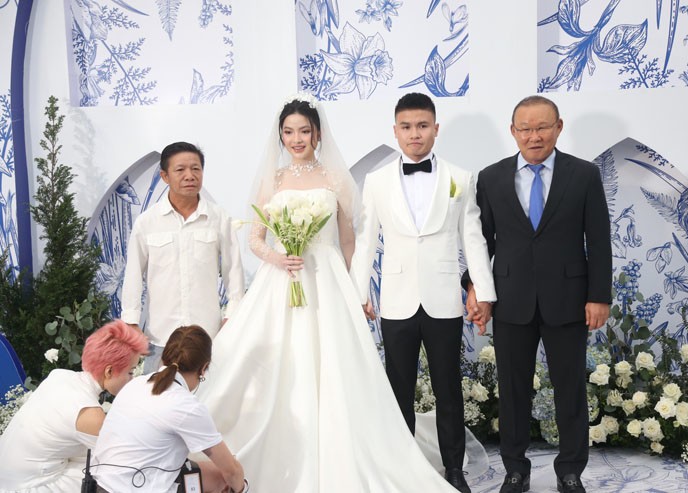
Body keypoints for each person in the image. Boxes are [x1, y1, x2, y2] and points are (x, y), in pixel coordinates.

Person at [197, 93, 461, 492]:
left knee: (336, 364)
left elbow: (349, 240)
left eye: (304, 131)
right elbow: (254, 239)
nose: (296, 139)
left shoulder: (336, 179)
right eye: (289, 132)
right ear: (281, 136)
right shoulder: (273, 180)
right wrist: (279, 257)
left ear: (317, 134)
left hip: (328, 279)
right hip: (282, 280)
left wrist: (358, 291)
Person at [351, 92, 496, 493]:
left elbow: (473, 239)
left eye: (422, 126)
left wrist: (484, 292)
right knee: (398, 389)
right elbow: (365, 240)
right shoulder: (377, 181)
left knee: (448, 388)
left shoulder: (460, 177)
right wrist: (357, 292)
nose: (414, 133)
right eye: (406, 127)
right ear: (395, 131)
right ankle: (401, 469)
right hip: (396, 300)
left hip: (443, 298)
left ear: (436, 128)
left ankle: (454, 469)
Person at [465, 95, 612, 493]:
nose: (534, 136)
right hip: (511, 299)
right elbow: (481, 242)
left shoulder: (583, 175)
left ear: (558, 127)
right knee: (513, 392)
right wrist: (475, 286)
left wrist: (599, 295)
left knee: (570, 389)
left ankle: (570, 471)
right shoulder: (491, 177)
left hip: (569, 299)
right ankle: (515, 470)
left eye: (542, 127)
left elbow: (599, 239)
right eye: (525, 129)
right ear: (513, 132)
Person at [121, 141, 245, 373]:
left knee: (210, 394)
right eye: (180, 170)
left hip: (208, 337)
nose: (190, 176)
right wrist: (131, 321)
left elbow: (234, 273)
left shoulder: (219, 218)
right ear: (165, 176)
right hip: (161, 337)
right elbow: (133, 274)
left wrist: (232, 317)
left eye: (196, 169)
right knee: (157, 394)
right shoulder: (147, 222)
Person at [91, 325, 247, 493]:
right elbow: (231, 471)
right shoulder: (186, 405)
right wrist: (243, 489)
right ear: (203, 369)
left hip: (99, 485)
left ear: (164, 357)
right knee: (222, 478)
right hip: (136, 487)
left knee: (199, 473)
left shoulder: (135, 384)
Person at [0, 320, 148, 492]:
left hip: (8, 473)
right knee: (120, 474)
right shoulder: (89, 413)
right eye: (130, 372)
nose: (132, 379)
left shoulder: (60, 375)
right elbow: (129, 454)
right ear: (109, 371)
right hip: (28, 486)